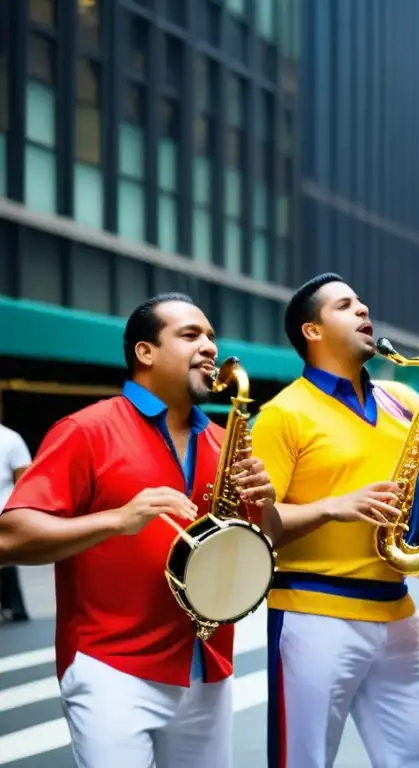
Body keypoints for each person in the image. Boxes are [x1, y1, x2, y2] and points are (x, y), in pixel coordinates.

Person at [0, 293, 281, 768]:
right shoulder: (84, 429)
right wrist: (117, 519)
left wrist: (266, 503)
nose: (209, 346)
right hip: (112, 666)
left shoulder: (222, 439)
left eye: (211, 336)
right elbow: (9, 537)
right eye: (190, 335)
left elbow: (266, 540)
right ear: (145, 353)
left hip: (207, 665)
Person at [250, 272, 419, 768]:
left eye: (361, 302)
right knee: (303, 761)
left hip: (398, 612)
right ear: (312, 332)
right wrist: (333, 506)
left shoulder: (402, 399)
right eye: (344, 306)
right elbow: (254, 527)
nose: (363, 310)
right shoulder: (282, 414)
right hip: (315, 614)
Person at [0, 420, 32, 623]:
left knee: (6, 562)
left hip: (4, 511)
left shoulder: (10, 439)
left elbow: (24, 480)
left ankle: (14, 608)